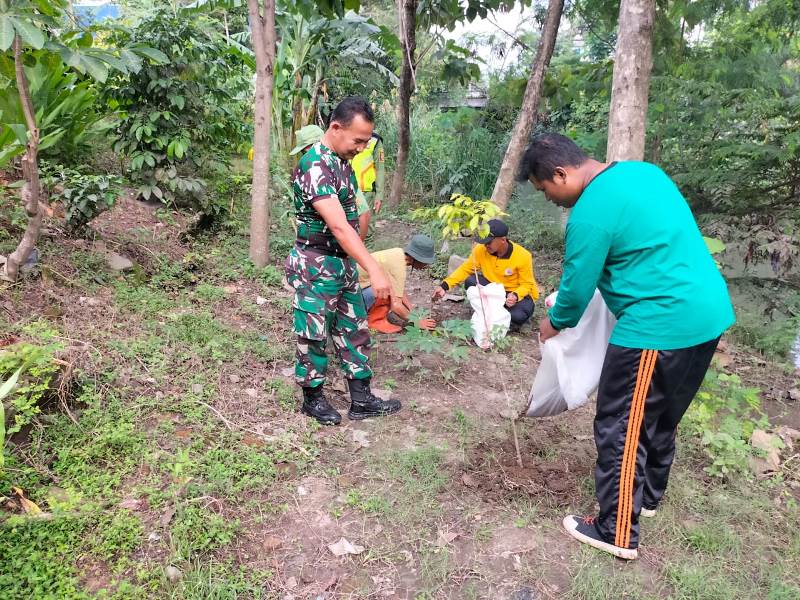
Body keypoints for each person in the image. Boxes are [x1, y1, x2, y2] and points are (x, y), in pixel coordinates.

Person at [517, 133, 735, 560]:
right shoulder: (643, 173)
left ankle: (615, 529)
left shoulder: (589, 212)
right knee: (662, 413)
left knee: (621, 422)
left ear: (562, 173)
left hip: (658, 326)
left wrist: (552, 324)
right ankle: (649, 497)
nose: (551, 201)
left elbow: (575, 293)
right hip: (708, 314)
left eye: (547, 191)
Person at [285, 96, 401, 426]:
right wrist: (374, 267)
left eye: (367, 141)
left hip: (342, 263)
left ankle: (361, 400)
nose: (363, 148)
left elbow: (354, 216)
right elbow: (337, 225)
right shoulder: (316, 164)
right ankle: (313, 400)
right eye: (359, 140)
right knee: (314, 332)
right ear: (336, 128)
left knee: (354, 329)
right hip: (316, 263)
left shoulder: (341, 163)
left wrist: (357, 258)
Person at [431, 219, 539, 329]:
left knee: (519, 315)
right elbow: (465, 269)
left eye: (489, 242)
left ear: (503, 240)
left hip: (513, 293)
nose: (486, 245)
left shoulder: (523, 256)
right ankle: (491, 311)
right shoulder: (481, 250)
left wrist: (515, 296)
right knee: (471, 281)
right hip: (493, 289)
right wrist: (445, 285)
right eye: (484, 242)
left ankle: (499, 314)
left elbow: (527, 284)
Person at [359, 234, 437, 333]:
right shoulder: (398, 268)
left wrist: (411, 309)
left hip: (356, 288)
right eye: (425, 262)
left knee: (388, 285)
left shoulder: (397, 254)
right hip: (354, 295)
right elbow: (396, 305)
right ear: (417, 258)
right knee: (385, 289)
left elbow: (397, 288)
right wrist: (418, 322)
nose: (426, 265)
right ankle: (375, 321)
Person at [350, 133, 385, 240]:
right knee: (348, 228)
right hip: (346, 190)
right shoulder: (346, 134)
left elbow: (380, 168)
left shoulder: (375, 141)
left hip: (367, 193)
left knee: (367, 230)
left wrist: (379, 195)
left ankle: (368, 255)